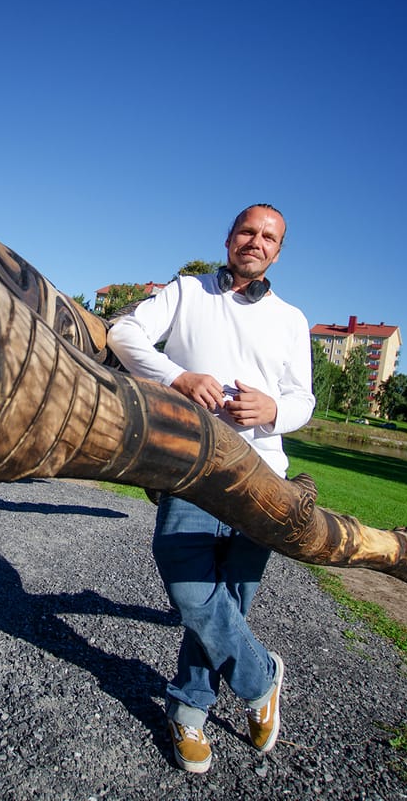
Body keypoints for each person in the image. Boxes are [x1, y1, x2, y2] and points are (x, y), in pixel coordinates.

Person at [106, 203, 315, 773]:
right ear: (229, 238)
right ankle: (260, 678)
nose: (256, 241)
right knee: (192, 589)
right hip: (191, 466)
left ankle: (189, 712)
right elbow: (123, 332)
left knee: (232, 604)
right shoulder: (186, 292)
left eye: (269, 236)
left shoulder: (293, 320)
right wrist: (178, 377)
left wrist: (273, 408)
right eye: (248, 231)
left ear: (278, 250)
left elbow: (303, 399)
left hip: (263, 474)